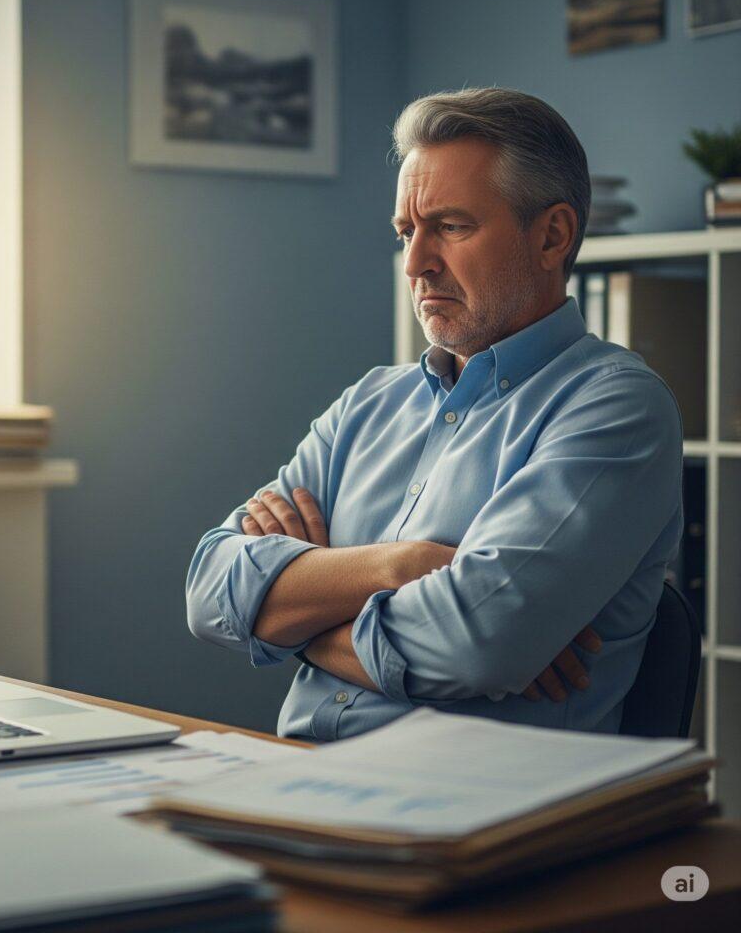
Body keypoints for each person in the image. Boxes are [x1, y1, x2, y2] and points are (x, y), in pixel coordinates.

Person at [185, 87, 683, 742]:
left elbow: (474, 646)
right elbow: (208, 590)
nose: (416, 264)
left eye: (450, 226)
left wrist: (293, 617)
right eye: (405, 232)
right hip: (294, 782)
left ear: (552, 235)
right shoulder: (368, 403)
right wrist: (401, 566)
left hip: (482, 822)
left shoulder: (616, 407)